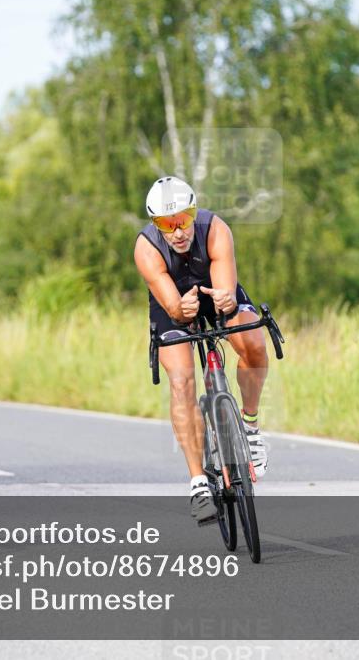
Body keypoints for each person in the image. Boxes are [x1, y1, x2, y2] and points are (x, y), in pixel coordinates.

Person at [134, 177, 269, 523]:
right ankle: (197, 482)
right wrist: (182, 311)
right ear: (155, 224)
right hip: (173, 304)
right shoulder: (146, 249)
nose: (178, 232)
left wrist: (224, 300)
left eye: (183, 219)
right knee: (181, 381)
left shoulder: (215, 229)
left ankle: (250, 429)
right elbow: (174, 309)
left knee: (253, 342)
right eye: (167, 224)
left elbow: (225, 288)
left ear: (194, 213)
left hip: (215, 294)